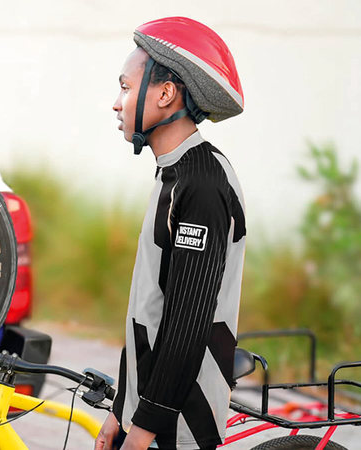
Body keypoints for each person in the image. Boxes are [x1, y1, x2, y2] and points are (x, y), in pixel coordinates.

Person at [95, 17, 247, 450]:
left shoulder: (202, 183)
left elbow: (186, 321)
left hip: (180, 420)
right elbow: (149, 311)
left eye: (125, 87)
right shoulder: (172, 174)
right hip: (151, 410)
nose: (116, 103)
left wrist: (142, 432)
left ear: (165, 94)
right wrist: (120, 410)